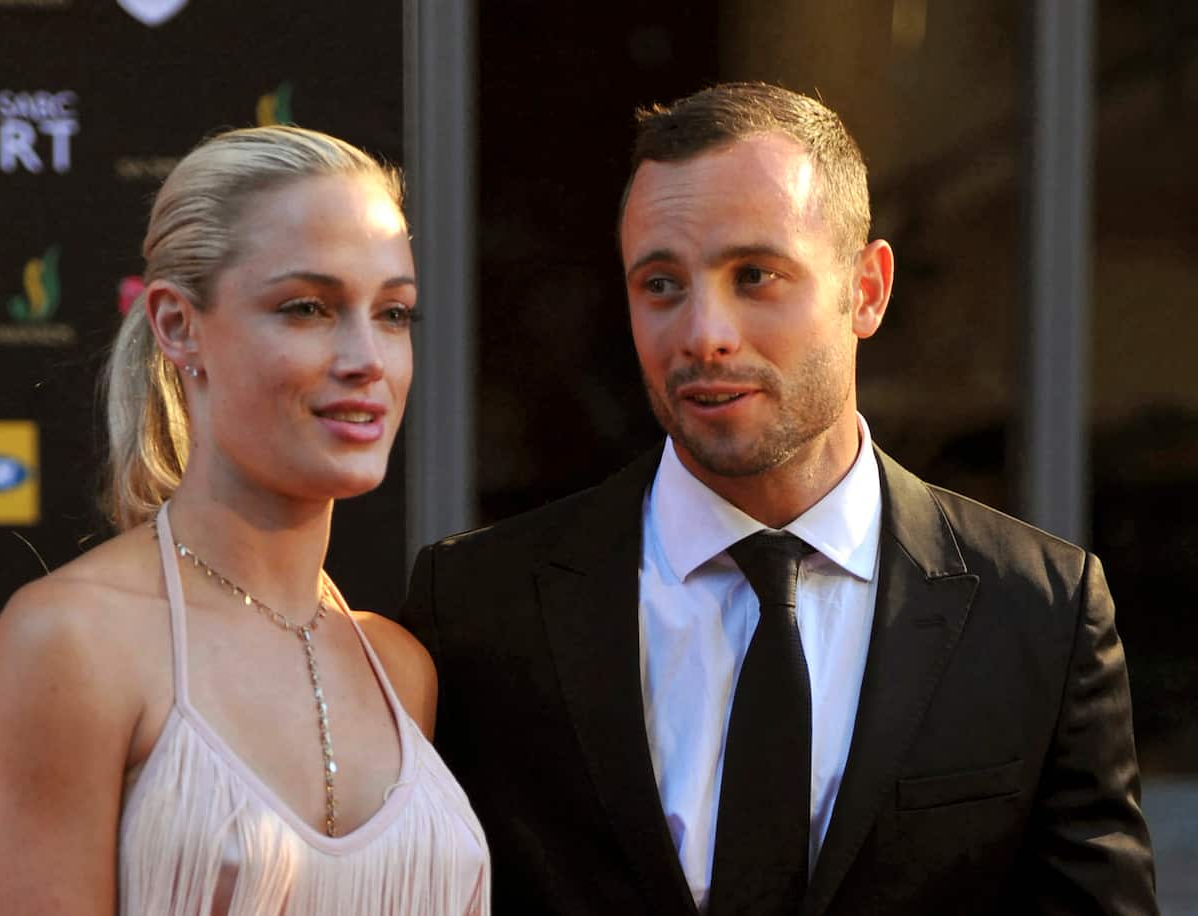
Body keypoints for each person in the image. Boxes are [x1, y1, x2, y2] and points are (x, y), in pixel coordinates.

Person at [399, 83, 1156, 914]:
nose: (702, 333)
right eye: (661, 284)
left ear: (866, 289)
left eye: (755, 275)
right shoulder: (478, 608)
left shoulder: (1040, 611)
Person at [0, 125, 489, 915]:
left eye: (393, 313)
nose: (366, 359)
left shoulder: (400, 668)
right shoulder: (73, 641)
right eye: (308, 307)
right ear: (178, 325)